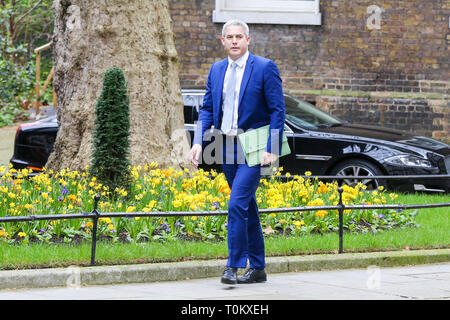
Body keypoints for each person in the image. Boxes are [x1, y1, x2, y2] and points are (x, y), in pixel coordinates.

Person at [190, 19, 285, 285]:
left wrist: (273, 149)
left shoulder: (265, 68)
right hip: (226, 146)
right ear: (222, 41)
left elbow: (278, 110)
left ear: (247, 40)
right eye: (229, 37)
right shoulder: (217, 69)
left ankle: (232, 266)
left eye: (239, 37)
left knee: (235, 205)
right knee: (246, 206)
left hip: (254, 145)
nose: (234, 41)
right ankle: (258, 268)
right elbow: (207, 108)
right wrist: (198, 141)